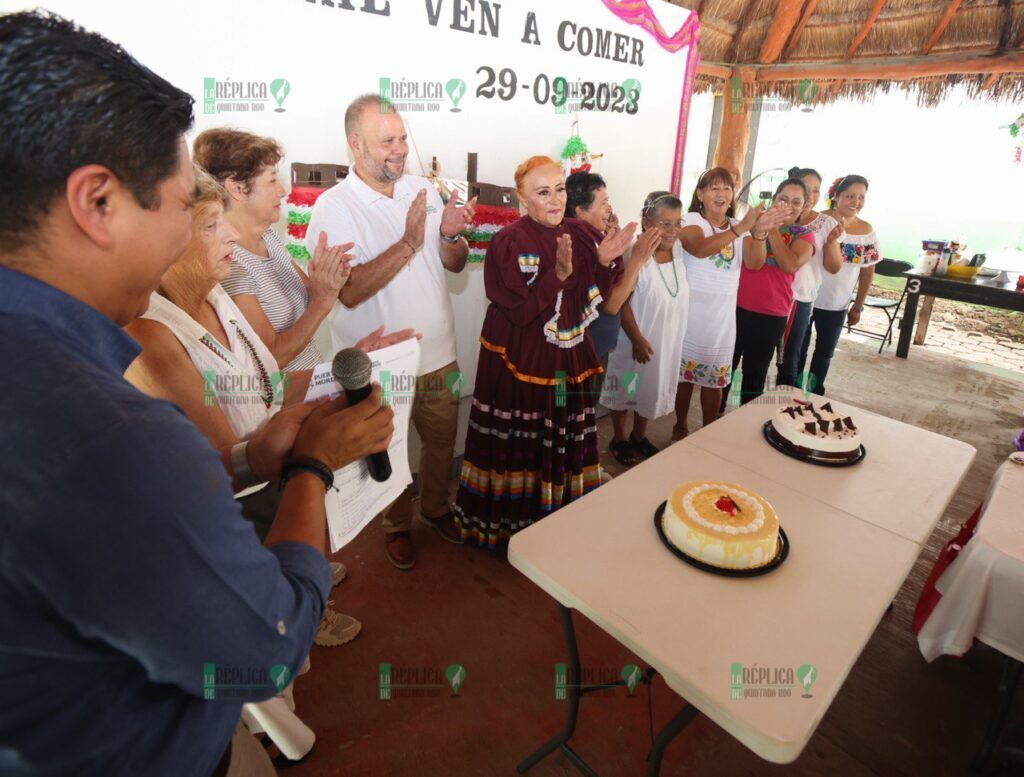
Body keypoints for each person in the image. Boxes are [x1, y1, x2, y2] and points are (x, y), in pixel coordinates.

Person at [0, 12, 393, 776]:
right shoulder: (114, 435)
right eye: (186, 205)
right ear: (98, 203)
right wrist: (310, 468)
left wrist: (254, 450)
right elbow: (270, 644)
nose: (201, 234)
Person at [124, 167, 361, 649]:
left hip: (267, 488)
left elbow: (268, 385)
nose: (230, 233)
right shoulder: (151, 335)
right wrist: (313, 458)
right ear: (164, 242)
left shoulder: (214, 293)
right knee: (269, 643)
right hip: (238, 514)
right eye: (211, 225)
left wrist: (348, 371)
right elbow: (227, 466)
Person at [306, 94, 477, 570]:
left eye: (403, 137)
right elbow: (350, 291)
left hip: (440, 355)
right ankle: (396, 526)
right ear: (355, 145)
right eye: (387, 141)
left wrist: (449, 236)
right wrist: (407, 242)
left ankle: (437, 507)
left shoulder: (421, 186)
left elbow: (455, 263)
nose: (400, 149)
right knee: (386, 450)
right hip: (379, 367)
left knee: (443, 440)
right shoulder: (333, 207)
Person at [452, 156, 633, 547]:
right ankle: (514, 530)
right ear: (522, 200)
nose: (555, 200)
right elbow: (517, 312)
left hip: (567, 359)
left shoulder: (582, 234)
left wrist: (602, 263)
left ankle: (559, 519)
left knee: (562, 432)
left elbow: (595, 298)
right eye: (543, 192)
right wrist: (557, 277)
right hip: (520, 360)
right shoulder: (508, 242)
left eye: (561, 189)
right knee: (522, 439)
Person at [192, 128, 353, 373]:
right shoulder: (228, 265)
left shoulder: (267, 235)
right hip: (285, 405)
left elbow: (311, 294)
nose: (282, 191)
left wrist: (327, 276)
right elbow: (271, 358)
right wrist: (322, 301)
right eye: (271, 180)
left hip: (314, 385)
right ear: (236, 188)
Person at [672, 168, 781, 437]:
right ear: (700, 194)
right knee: (684, 376)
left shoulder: (738, 227)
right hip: (691, 313)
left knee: (715, 378)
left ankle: (708, 431)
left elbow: (754, 264)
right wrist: (742, 227)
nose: (722, 194)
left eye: (727, 189)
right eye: (714, 188)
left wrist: (759, 234)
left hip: (721, 317)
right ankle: (680, 424)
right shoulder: (690, 220)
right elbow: (698, 249)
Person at [601, 192, 687, 463]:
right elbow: (621, 300)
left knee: (649, 388)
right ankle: (619, 438)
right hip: (633, 337)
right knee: (626, 388)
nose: (672, 231)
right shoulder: (632, 253)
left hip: (665, 338)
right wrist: (636, 338)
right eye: (664, 224)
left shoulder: (679, 251)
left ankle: (639, 436)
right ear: (646, 222)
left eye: (677, 222)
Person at [727, 178, 815, 406]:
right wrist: (760, 230)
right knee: (725, 370)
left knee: (754, 376)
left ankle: (745, 425)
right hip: (733, 307)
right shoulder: (750, 223)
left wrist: (773, 230)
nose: (788, 205)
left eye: (796, 202)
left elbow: (790, 265)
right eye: (783, 199)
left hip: (771, 314)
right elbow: (753, 264)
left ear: (805, 206)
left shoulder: (804, 234)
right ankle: (713, 421)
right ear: (774, 199)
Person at [799, 175, 879, 395]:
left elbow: (867, 270)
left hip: (837, 303)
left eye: (861, 197)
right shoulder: (817, 221)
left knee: (824, 354)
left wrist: (858, 305)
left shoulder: (866, 232)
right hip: (806, 298)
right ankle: (793, 392)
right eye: (850, 196)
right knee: (798, 351)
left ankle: (813, 394)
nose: (856, 201)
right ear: (835, 196)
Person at [777, 166, 844, 388]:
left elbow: (833, 268)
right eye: (806, 188)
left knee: (789, 361)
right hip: (769, 296)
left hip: (799, 298)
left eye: (816, 191)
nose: (810, 196)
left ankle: (783, 412)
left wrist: (832, 242)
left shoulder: (827, 224)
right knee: (756, 355)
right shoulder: (773, 219)